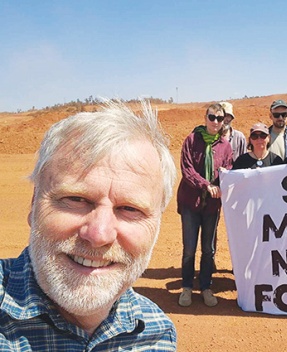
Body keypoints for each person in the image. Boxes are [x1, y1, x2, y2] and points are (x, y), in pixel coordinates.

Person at [0, 100, 177, 350]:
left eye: (130, 209)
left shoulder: (155, 335)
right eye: (76, 199)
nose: (98, 234)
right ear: (33, 205)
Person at [177, 103, 233, 307]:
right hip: (191, 203)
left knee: (209, 249)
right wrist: (206, 184)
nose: (215, 122)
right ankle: (186, 287)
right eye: (212, 117)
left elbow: (227, 170)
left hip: (212, 206)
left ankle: (206, 287)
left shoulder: (225, 146)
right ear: (205, 117)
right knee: (189, 248)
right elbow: (187, 169)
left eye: (220, 118)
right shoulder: (192, 140)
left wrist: (218, 186)